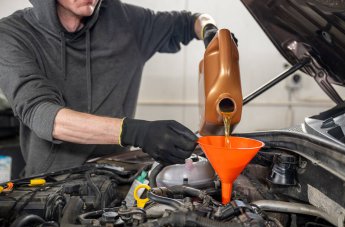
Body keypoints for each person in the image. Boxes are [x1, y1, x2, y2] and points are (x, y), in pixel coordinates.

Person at [0, 0, 220, 176]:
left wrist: (212, 33)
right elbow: (43, 115)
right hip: (49, 185)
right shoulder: (13, 35)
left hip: (115, 178)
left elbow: (189, 21)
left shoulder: (127, 22)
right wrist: (136, 132)